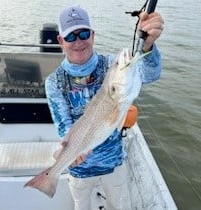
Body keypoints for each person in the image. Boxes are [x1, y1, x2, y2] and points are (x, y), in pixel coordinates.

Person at [45, 5, 164, 210]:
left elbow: (149, 74)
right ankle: (50, 178)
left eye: (83, 33)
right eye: (71, 36)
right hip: (80, 169)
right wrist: (72, 153)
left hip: (113, 164)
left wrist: (147, 47)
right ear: (60, 41)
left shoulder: (111, 63)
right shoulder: (54, 81)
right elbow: (64, 123)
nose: (79, 41)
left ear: (93, 35)